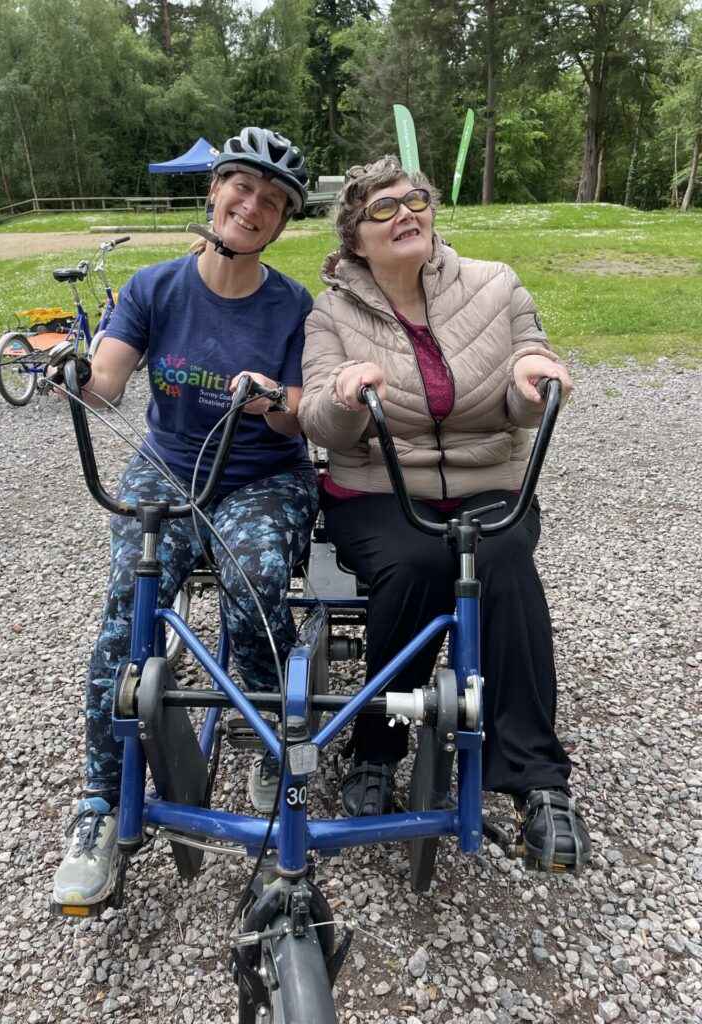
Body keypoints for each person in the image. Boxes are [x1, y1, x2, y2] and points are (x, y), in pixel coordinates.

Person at [298, 155, 591, 871]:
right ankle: (376, 749)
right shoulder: (330, 311)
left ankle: (536, 780)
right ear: (355, 239)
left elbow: (525, 374)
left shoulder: (495, 284)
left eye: (415, 200)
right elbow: (315, 415)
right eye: (383, 208)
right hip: (376, 488)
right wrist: (342, 396)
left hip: (489, 479)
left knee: (500, 559)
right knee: (418, 563)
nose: (406, 213)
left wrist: (532, 382)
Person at [53, 127, 320, 907]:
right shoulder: (154, 287)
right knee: (126, 607)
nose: (252, 206)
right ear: (214, 191)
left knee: (256, 573)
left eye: (270, 203)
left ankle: (269, 722)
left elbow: (297, 417)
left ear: (279, 224)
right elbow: (105, 383)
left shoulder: (292, 305)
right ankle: (101, 802)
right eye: (242, 189)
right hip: (168, 464)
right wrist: (74, 373)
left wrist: (272, 396)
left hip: (263, 476)